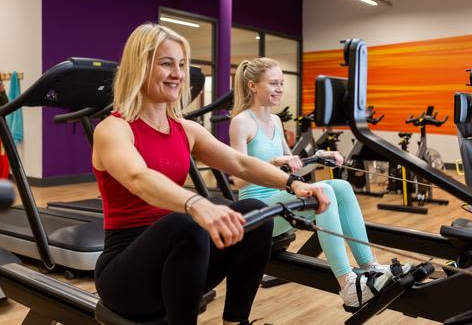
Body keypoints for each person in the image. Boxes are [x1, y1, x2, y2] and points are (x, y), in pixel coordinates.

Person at [92, 23, 330, 325]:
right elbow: (137, 177)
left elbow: (240, 163)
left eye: (181, 64)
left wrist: (294, 184)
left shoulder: (185, 129)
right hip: (125, 276)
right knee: (185, 225)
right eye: (166, 64)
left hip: (180, 259)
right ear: (140, 66)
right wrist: (197, 204)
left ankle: (235, 322)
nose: (178, 73)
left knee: (256, 212)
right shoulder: (113, 129)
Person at [229, 57, 411, 311]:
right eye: (273, 83)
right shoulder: (241, 122)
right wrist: (274, 161)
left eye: (281, 83)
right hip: (256, 209)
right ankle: (347, 283)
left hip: (280, 198)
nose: (280, 88)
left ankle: (369, 267)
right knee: (323, 190)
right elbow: (237, 178)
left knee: (341, 186)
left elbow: (292, 167)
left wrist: (319, 158)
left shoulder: (276, 122)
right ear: (252, 86)